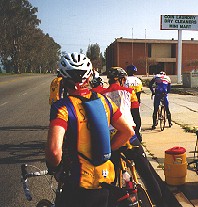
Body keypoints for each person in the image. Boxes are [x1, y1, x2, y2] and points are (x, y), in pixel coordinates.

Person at [45, 53, 134, 207]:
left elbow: (54, 151)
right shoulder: (105, 101)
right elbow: (128, 132)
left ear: (64, 80)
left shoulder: (62, 107)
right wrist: (107, 150)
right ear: (89, 77)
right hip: (106, 180)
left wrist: (55, 168)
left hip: (79, 184)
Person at [100, 67, 164, 206]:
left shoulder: (102, 95)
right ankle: (159, 201)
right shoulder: (130, 92)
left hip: (111, 140)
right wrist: (138, 134)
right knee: (147, 174)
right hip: (129, 137)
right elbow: (136, 117)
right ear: (123, 80)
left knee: (110, 178)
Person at [124, 64, 143, 141]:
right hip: (135, 102)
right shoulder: (138, 80)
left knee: (127, 119)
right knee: (137, 118)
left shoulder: (124, 80)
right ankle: (137, 134)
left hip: (126, 102)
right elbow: (139, 92)